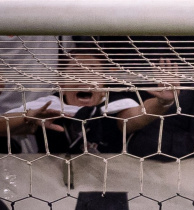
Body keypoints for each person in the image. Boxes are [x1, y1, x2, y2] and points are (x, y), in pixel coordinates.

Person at [3, 47, 175, 155]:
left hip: (107, 187)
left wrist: (162, 103)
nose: (84, 78)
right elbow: (2, 125)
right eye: (76, 72)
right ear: (61, 83)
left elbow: (137, 116)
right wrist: (27, 119)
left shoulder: (115, 106)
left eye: (92, 72)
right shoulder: (47, 106)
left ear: (103, 85)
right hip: (52, 187)